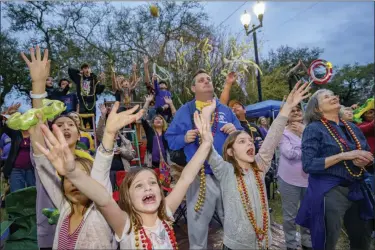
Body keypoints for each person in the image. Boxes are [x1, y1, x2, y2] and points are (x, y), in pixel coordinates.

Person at [35, 108, 212, 249]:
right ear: (127, 196)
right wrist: (73, 173)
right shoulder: (125, 226)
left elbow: (185, 179)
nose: (148, 188)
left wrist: (206, 144)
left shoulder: (166, 214)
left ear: (160, 191)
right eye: (139, 186)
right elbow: (103, 199)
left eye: (152, 183)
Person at [203, 82, 310, 249]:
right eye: (242, 141)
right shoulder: (225, 171)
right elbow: (207, 148)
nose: (250, 144)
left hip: (263, 243)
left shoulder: (260, 166)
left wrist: (288, 107)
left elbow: (272, 137)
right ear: (230, 152)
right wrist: (206, 126)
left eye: (251, 141)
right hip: (236, 245)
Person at [165, 69, 243, 249]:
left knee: (234, 221)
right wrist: (184, 138)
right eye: (201, 80)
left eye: (209, 79)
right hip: (201, 176)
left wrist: (236, 130)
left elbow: (243, 136)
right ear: (193, 88)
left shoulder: (225, 110)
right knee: (198, 226)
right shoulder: (186, 110)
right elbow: (170, 139)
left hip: (227, 174)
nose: (207, 81)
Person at [295, 89, 374, 250]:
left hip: (357, 187)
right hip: (330, 191)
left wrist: (365, 161)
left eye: (334, 95)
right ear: (317, 109)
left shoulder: (353, 127)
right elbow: (308, 164)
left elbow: (367, 154)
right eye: (327, 97)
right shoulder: (314, 128)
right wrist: (344, 156)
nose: (334, 97)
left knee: (363, 237)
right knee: (328, 239)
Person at [277, 104, 312, 250]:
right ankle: (291, 243)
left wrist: (304, 136)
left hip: (309, 179)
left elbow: (318, 151)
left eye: (299, 110)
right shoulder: (282, 132)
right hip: (288, 180)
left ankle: (307, 241)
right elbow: (289, 154)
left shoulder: (309, 130)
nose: (296, 112)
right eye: (293, 110)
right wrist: (307, 148)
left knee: (308, 212)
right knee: (290, 216)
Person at [1, 103, 35, 192]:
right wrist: (7, 114)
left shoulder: (36, 134)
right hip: (16, 169)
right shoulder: (16, 133)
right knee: (16, 195)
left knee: (32, 195)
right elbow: (5, 127)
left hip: (32, 170)